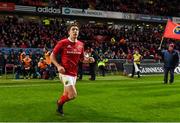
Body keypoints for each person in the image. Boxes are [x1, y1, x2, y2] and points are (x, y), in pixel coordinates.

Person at [50, 22, 94, 116]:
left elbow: (82, 59)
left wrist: (88, 60)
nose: (75, 31)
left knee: (66, 94)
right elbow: (52, 56)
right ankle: (59, 102)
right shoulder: (63, 42)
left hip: (74, 74)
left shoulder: (81, 44)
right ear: (69, 32)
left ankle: (59, 108)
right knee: (73, 95)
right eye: (73, 29)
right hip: (64, 73)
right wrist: (58, 66)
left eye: (77, 29)